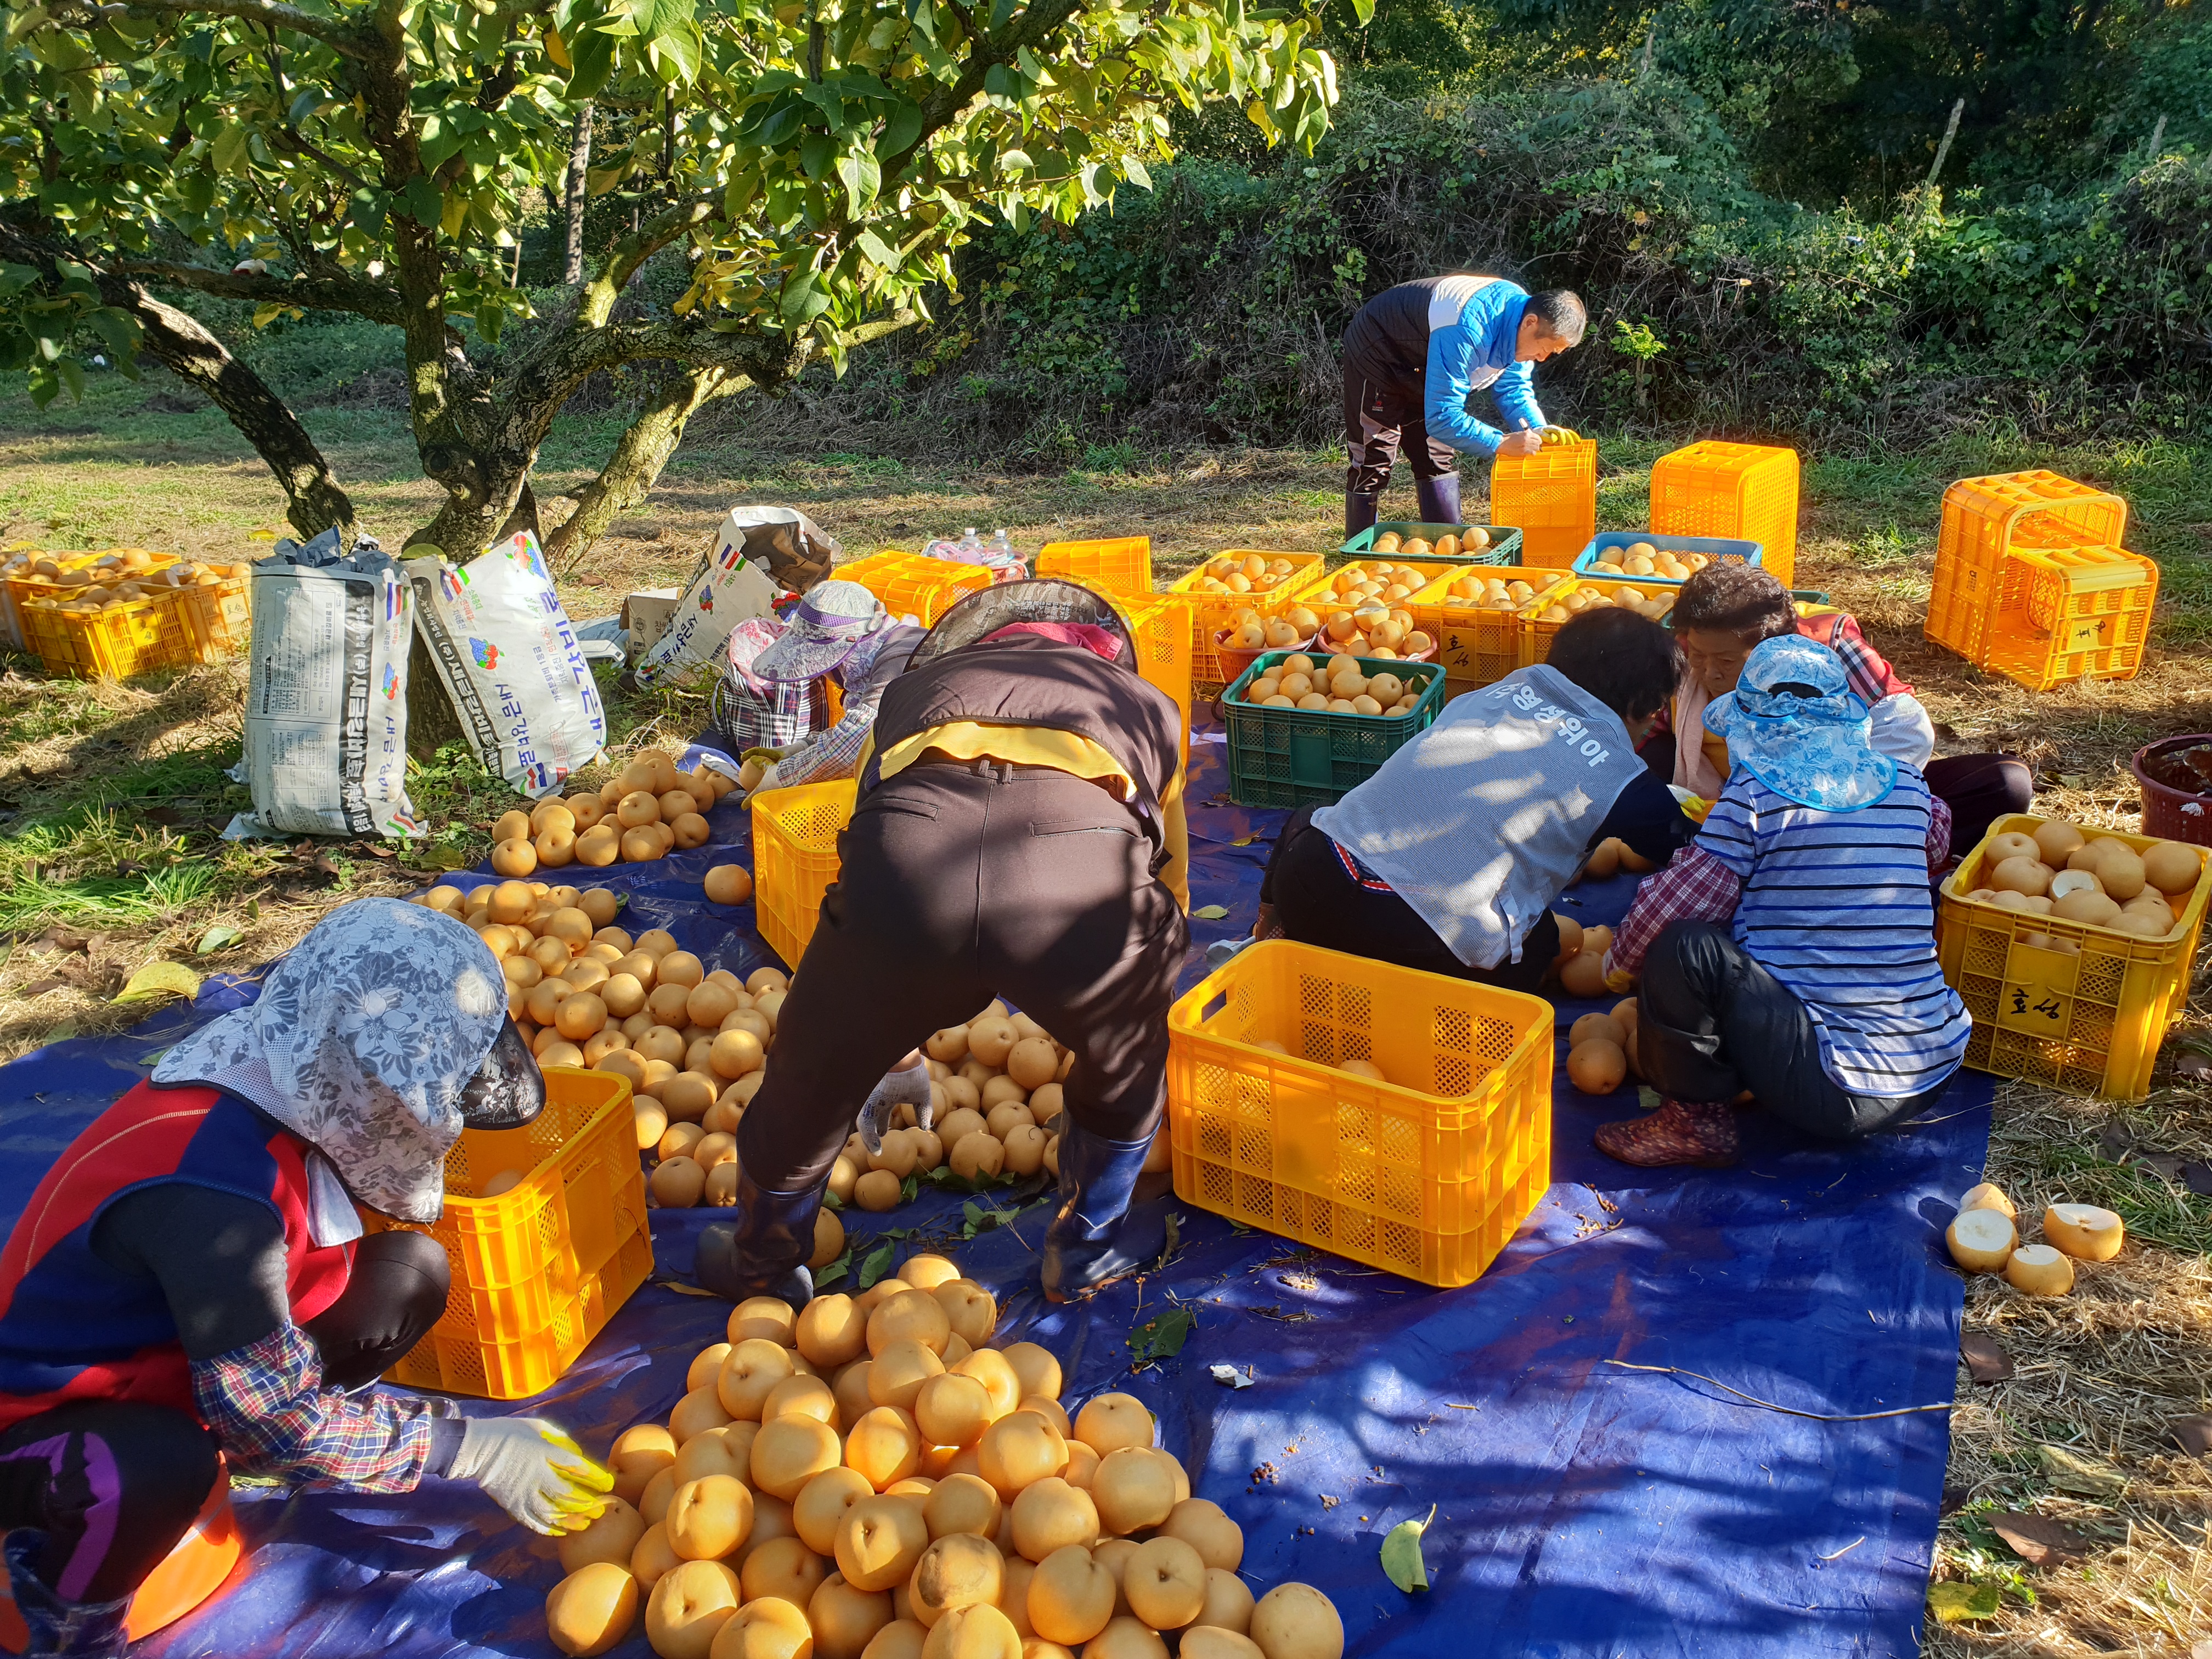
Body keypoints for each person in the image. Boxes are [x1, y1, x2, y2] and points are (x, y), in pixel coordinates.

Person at [0, 900, 611, 1654]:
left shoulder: (293, 1071)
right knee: (155, 1468)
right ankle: (72, 1630)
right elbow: (272, 1405)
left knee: (408, 1272)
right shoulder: (214, 1200)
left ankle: (278, 1454)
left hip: (177, 1357)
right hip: (37, 1418)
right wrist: (468, 1448)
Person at [695, 580, 1190, 1308]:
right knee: (1133, 1057)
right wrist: (1128, 1008)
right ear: (1107, 658)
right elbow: (1167, 879)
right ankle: (1087, 1246)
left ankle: (765, 1265)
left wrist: (887, 1039)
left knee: (805, 1075)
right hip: (1077, 896)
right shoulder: (1149, 710)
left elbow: (867, 862)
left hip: (913, 879)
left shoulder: (909, 698)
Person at [1595, 635, 1970, 1167]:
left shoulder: (1755, 798)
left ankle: (1694, 1125)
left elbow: (1672, 911)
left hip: (1838, 1089)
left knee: (1684, 947)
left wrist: (1618, 966)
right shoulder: (1910, 787)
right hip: (1933, 1065)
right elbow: (1936, 843)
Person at [1255, 609, 1695, 991]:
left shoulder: (1491, 695)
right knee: (1539, 944)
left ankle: (1272, 931)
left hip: (1312, 879)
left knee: (1322, 817)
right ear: (1642, 705)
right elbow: (1695, 856)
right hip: (1414, 939)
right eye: (1657, 711)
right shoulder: (1622, 781)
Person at [1648, 563, 2034, 856]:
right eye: (1699, 655)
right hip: (1735, 809)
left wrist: (1835, 797)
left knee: (2003, 783)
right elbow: (1643, 731)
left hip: (1851, 797)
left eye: (1728, 663)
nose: (1710, 673)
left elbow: (1904, 729)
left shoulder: (1829, 648)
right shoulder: (1682, 662)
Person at [1339, 276, 1588, 537]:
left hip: (1425, 359)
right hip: (1380, 350)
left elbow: (1514, 389)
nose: (1542, 358)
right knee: (1374, 456)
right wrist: (1500, 442)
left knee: (1436, 456)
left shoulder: (1523, 321)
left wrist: (1538, 429)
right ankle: (1358, 555)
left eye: (1552, 354)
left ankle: (1448, 551)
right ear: (1530, 323)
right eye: (1545, 349)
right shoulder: (1468, 329)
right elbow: (1443, 416)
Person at [697, 579, 926, 792]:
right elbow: (864, 732)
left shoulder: (901, 663)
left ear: (850, 648)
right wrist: (805, 747)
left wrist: (778, 778)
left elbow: (855, 743)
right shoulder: (885, 651)